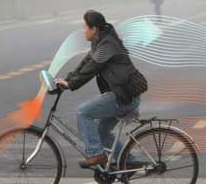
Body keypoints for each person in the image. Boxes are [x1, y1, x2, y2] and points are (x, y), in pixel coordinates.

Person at [55, 10, 148, 168]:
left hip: (123, 97)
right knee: (100, 132)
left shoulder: (108, 45)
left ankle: (96, 155)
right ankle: (129, 162)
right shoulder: (100, 41)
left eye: (85, 27)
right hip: (122, 95)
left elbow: (91, 68)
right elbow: (85, 63)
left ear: (94, 29)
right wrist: (68, 79)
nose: (83, 30)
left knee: (83, 112)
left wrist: (71, 84)